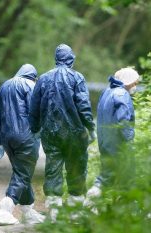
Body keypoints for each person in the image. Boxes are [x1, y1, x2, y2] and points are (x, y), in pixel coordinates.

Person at [29, 44, 96, 221]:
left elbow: (34, 108)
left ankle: (54, 210)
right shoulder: (77, 77)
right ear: (71, 58)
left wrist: (34, 128)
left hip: (50, 133)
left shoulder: (43, 79)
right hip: (75, 132)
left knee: (53, 169)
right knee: (77, 167)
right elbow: (83, 105)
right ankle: (75, 209)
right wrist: (90, 127)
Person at [0, 64, 45, 225]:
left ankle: (27, 211)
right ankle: (4, 210)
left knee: (21, 172)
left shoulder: (4, 86)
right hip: (26, 137)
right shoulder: (31, 86)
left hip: (7, 138)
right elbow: (36, 112)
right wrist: (41, 132)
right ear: (33, 76)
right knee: (23, 174)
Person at [84, 67, 139, 205]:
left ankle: (122, 207)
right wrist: (130, 142)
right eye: (134, 83)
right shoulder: (122, 95)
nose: (135, 86)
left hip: (105, 142)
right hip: (118, 143)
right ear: (128, 81)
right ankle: (92, 202)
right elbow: (124, 122)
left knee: (110, 175)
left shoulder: (107, 92)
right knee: (123, 175)